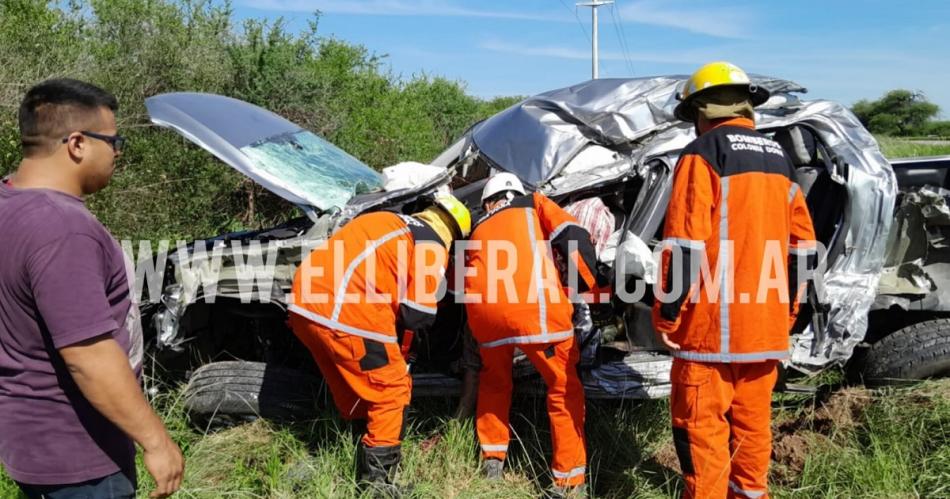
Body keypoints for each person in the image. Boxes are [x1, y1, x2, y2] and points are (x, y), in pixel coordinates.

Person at [0, 79, 184, 498]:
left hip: (30, 441)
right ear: (78, 143)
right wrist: (157, 442)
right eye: (113, 141)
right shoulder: (63, 228)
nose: (117, 153)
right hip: (78, 457)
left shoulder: (9, 203)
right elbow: (89, 354)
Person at [653, 61, 817, 498]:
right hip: (765, 326)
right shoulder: (780, 160)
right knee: (752, 426)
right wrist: (788, 310)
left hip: (710, 331)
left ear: (699, 113)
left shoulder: (704, 153)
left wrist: (669, 315)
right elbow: (803, 246)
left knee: (700, 430)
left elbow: (684, 245)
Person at [289, 194, 471, 496]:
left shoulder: (384, 218)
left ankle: (348, 446)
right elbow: (417, 315)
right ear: (454, 233)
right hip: (348, 314)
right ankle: (377, 486)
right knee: (392, 391)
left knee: (358, 387)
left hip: (303, 306)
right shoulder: (432, 242)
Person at [463, 172, 599, 497]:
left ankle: (492, 459)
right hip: (536, 313)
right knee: (563, 387)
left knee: (495, 383)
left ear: (488, 202)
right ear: (515, 192)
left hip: (486, 320)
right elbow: (572, 234)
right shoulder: (534, 203)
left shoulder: (478, 228)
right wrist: (591, 283)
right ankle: (568, 481)